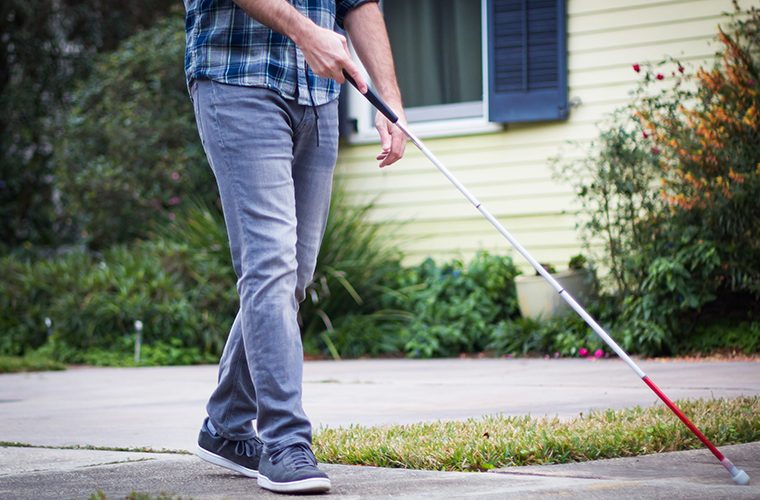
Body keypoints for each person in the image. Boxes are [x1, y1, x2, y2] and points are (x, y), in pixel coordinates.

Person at [182, 0, 405, 494]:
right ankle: (284, 440)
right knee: (271, 267)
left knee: (294, 276)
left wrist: (389, 99)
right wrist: (304, 32)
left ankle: (224, 424)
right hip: (237, 76)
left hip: (320, 95)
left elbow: (357, 3)